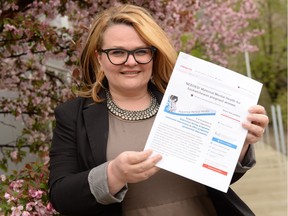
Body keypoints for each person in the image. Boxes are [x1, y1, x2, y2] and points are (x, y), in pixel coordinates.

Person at [48, 4, 269, 216]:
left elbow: (222, 177)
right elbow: (61, 197)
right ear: (100, 58)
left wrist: (240, 142)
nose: (131, 62)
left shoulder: (187, 100)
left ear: (154, 54)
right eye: (117, 53)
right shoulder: (72, 116)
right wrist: (114, 174)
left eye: (141, 51)